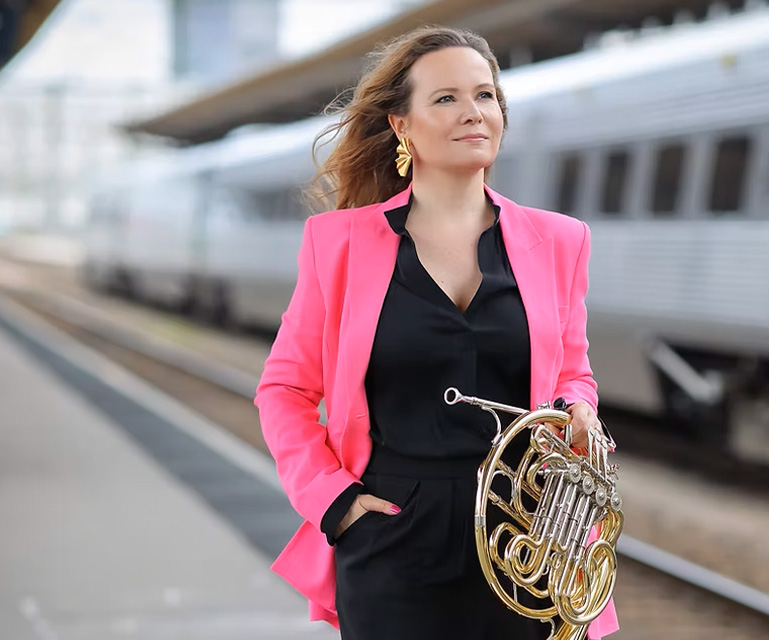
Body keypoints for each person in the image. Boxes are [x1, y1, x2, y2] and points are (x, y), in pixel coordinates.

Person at [255, 25, 619, 640]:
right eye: (446, 98)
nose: (473, 112)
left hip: (528, 542)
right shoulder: (338, 244)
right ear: (402, 126)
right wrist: (336, 504)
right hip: (389, 534)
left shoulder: (561, 240)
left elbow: (571, 371)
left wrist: (579, 408)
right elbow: (284, 391)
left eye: (485, 95)